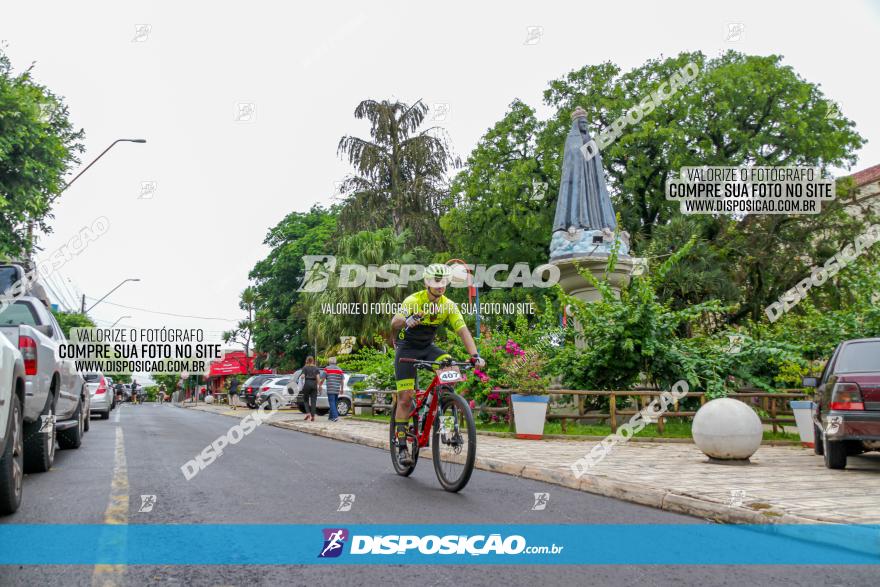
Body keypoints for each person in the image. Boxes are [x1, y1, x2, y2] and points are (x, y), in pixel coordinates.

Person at [390, 264, 485, 466]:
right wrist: (407, 320)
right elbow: (394, 322)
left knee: (450, 370)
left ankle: (447, 428)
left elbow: (463, 331)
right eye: (435, 282)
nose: (440, 286)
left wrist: (475, 355)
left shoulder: (448, 305)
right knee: (405, 398)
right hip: (406, 350)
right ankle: (401, 447)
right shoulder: (414, 300)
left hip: (428, 347)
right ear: (426, 283)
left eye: (443, 283)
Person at [295, 357, 323, 422]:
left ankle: (308, 413)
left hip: (307, 384)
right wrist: (319, 386)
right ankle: (313, 415)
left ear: (307, 361)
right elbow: (318, 377)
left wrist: (302, 377)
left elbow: (302, 376)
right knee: (313, 401)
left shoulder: (305, 368)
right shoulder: (316, 368)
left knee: (305, 400)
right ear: (313, 361)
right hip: (314, 384)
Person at [323, 357, 344, 422]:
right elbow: (342, 380)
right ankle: (331, 417)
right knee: (334, 403)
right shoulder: (339, 369)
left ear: (329, 362)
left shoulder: (326, 369)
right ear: (335, 362)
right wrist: (342, 389)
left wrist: (320, 385)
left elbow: (323, 378)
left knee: (331, 402)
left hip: (330, 388)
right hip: (337, 388)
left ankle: (335, 416)